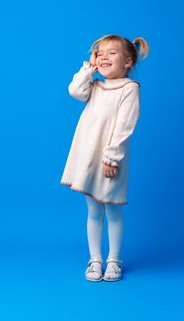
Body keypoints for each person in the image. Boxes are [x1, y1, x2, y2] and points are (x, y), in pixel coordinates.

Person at [60, 34, 149, 282]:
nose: (104, 57)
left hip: (110, 159)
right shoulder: (95, 86)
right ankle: (95, 259)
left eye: (112, 53)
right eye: (100, 53)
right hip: (88, 155)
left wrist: (113, 157)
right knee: (93, 209)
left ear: (128, 61)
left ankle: (114, 260)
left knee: (112, 209)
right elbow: (74, 90)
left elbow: (125, 125)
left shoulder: (129, 88)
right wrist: (88, 68)